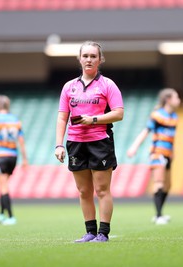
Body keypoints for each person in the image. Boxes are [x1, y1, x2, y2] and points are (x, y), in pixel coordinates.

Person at [55, 41, 124, 243]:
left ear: (100, 60)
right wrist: (59, 145)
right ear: (79, 59)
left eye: (93, 56)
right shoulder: (69, 87)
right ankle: (90, 232)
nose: (89, 59)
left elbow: (119, 114)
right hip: (75, 142)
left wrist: (93, 120)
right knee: (84, 191)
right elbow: (62, 117)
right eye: (85, 56)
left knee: (102, 190)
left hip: (100, 142)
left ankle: (103, 233)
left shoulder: (107, 84)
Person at [127, 88, 180, 225]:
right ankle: (158, 215)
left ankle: (160, 214)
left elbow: (171, 138)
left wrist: (173, 152)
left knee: (168, 185)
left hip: (168, 154)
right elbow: (146, 131)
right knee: (159, 183)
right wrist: (134, 147)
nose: (178, 100)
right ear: (168, 100)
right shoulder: (157, 115)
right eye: (176, 97)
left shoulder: (174, 117)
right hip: (158, 153)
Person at [0, 95, 28, 226]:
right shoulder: (15, 121)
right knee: (4, 184)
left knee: (3, 186)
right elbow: (21, 142)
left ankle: (11, 216)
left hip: (0, 154)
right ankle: (1, 214)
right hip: (13, 156)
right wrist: (25, 159)